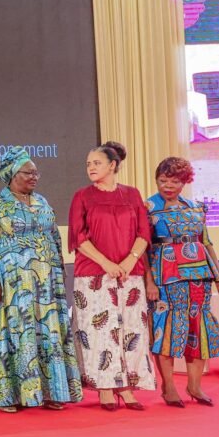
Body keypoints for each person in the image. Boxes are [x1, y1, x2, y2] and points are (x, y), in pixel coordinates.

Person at [0, 147, 83, 412]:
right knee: (17, 332)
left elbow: (54, 236)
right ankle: (9, 395)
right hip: (13, 281)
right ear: (12, 174)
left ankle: (52, 391)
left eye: (36, 173)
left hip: (46, 281)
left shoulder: (42, 202)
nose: (34, 177)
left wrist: (59, 269)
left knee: (49, 332)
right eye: (28, 172)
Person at [68, 141, 155, 411]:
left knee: (132, 329)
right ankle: (105, 387)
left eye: (97, 163)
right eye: (88, 164)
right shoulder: (82, 196)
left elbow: (143, 233)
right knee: (100, 332)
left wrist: (129, 260)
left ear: (113, 165)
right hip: (94, 274)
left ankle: (127, 387)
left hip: (129, 274)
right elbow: (78, 237)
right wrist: (106, 263)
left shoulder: (132, 194)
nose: (91, 168)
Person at [145, 156, 219, 407]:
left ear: (184, 182)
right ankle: (169, 387)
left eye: (174, 181)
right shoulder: (148, 208)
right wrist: (149, 282)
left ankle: (195, 386)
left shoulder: (195, 208)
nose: (168, 186)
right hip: (166, 277)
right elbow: (143, 248)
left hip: (199, 277)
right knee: (167, 328)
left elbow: (206, 243)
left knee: (197, 326)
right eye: (163, 180)